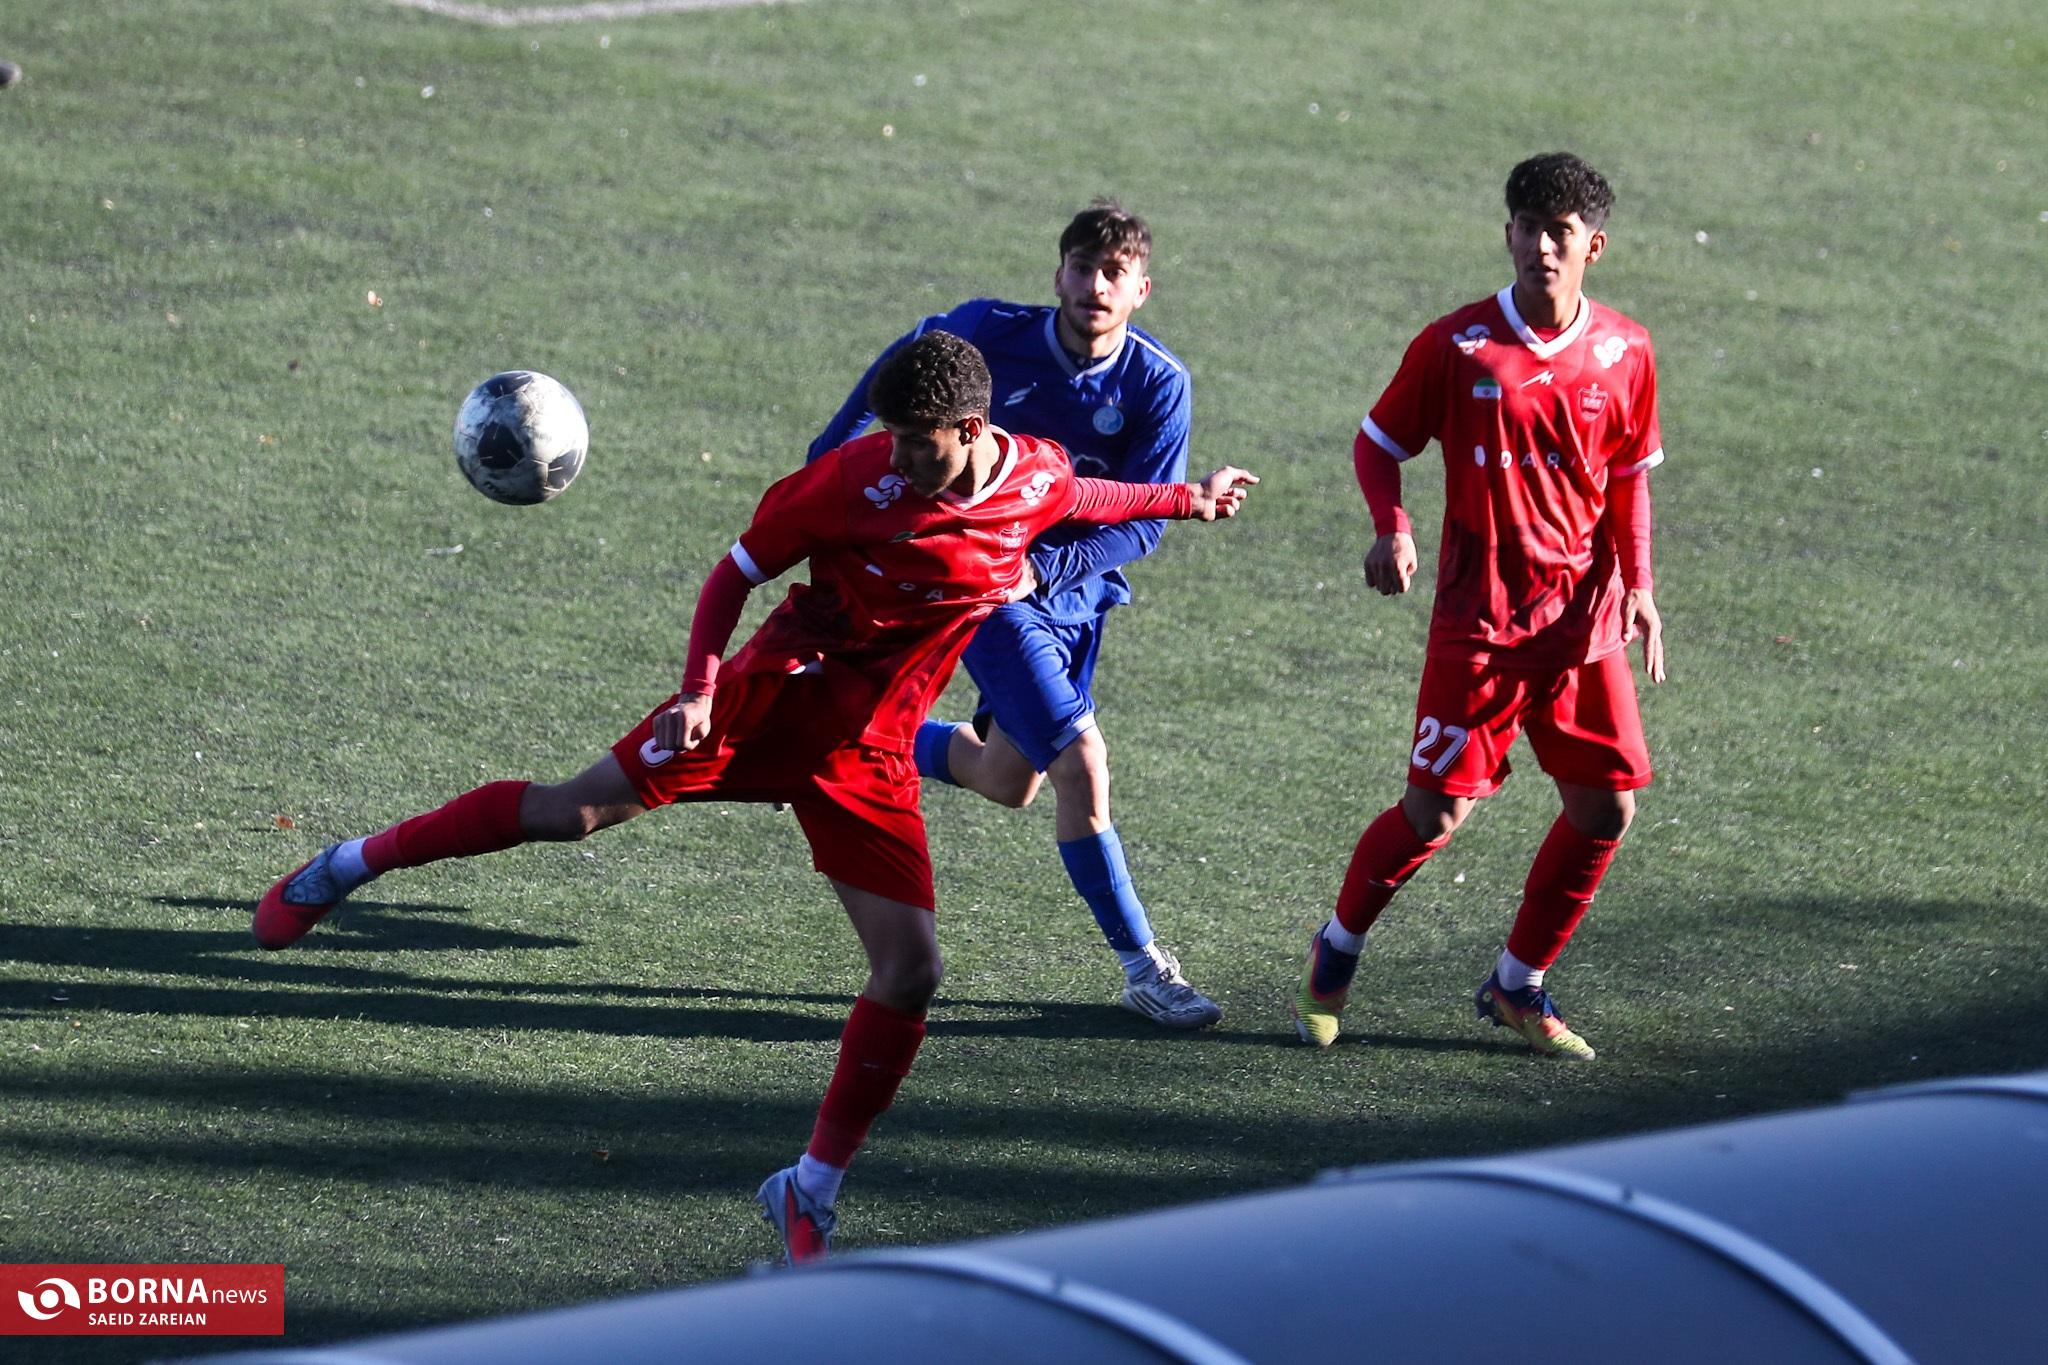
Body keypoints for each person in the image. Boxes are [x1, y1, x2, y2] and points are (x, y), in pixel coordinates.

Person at [253, 331, 1256, 1263]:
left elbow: (1091, 497)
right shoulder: (850, 484)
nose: (897, 457)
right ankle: (345, 864)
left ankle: (808, 1189)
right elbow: (732, 575)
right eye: (890, 437)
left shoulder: (1031, 476)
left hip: (868, 754)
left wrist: (1191, 499)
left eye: (916, 443)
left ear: (970, 430)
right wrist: (699, 689)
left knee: (911, 971)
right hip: (767, 703)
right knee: (568, 812)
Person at [809, 202, 1221, 1029]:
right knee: (1083, 764)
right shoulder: (985, 333)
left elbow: (1143, 520)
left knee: (1008, 778)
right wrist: (832, 454)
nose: (1095, 286)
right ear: (1058, 272)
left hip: (1069, 597)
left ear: (1141, 289)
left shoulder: (1157, 384)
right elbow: (904, 362)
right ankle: (1145, 967)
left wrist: (1051, 570)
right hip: (984, 587)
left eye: (1114, 273)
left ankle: (838, 735)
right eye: (1082, 267)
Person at [1294, 152, 1668, 1059]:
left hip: (1581, 630)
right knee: (1432, 818)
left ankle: (1517, 983)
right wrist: (1392, 526)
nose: (1542, 247)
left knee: (1606, 808)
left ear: (1593, 247)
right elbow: (1378, 443)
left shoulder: (1626, 351)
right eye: (1528, 229)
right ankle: (1336, 949)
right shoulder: (1458, 344)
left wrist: (1642, 585)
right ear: (1507, 234)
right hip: (1482, 627)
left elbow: (1627, 479)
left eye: (1561, 233)